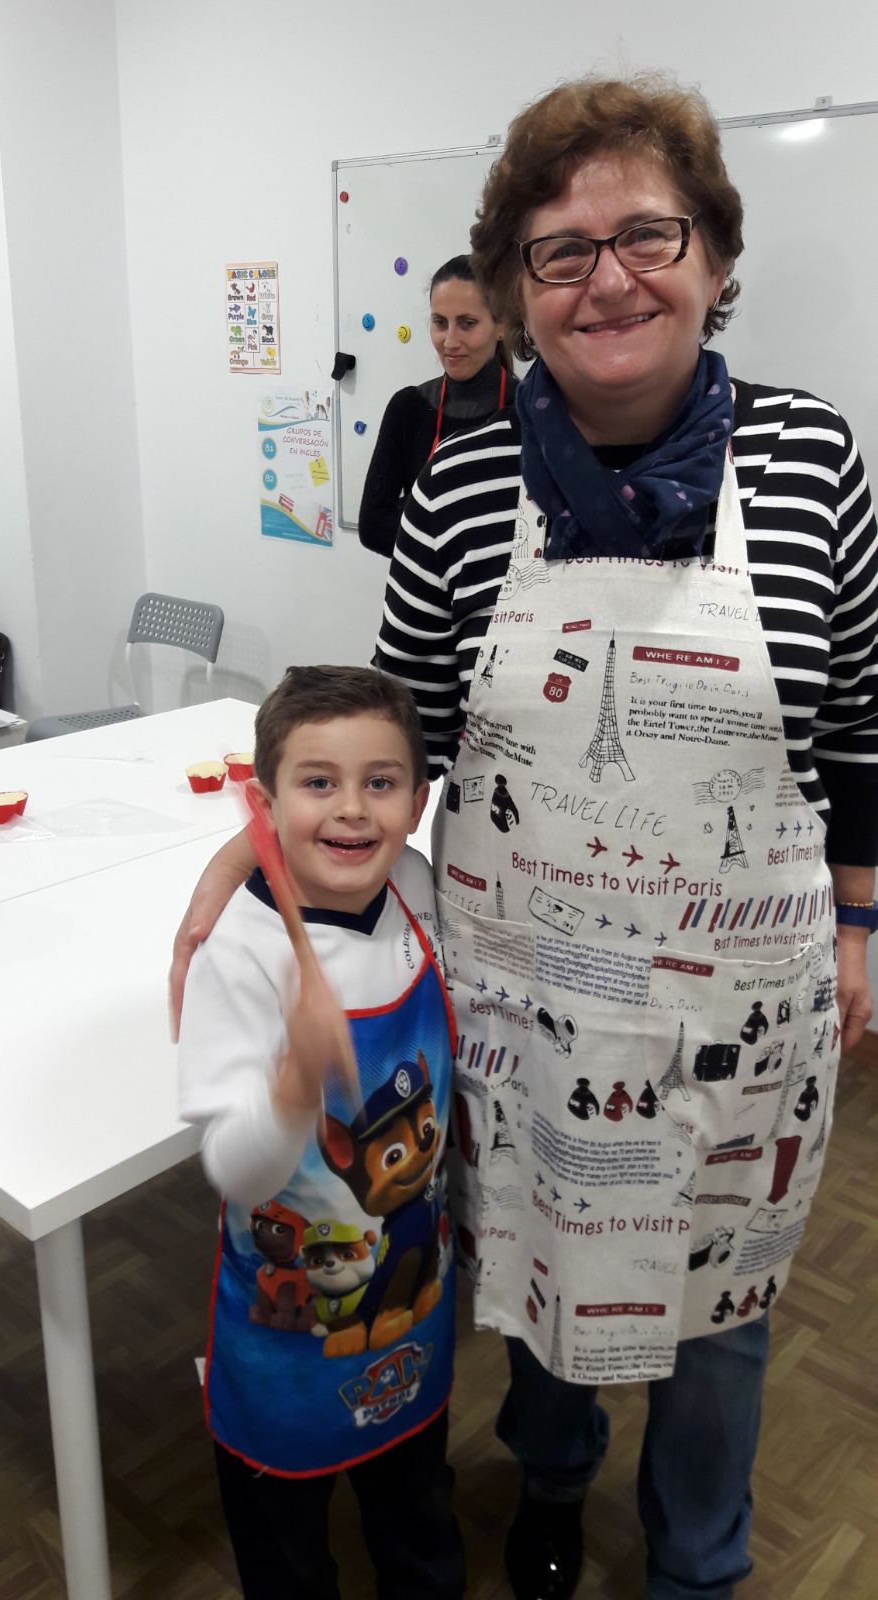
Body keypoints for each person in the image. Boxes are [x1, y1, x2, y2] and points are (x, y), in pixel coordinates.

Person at [170, 74, 878, 1600]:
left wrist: (860, 920)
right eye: (561, 250)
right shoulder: (461, 483)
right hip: (531, 985)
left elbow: (866, 721)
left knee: (725, 1312)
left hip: (743, 996)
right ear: (516, 289)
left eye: (648, 235)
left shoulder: (814, 458)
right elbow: (398, 733)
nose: (607, 278)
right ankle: (552, 1483)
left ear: (715, 258)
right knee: (545, 1252)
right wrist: (256, 856)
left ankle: (699, 1560)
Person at [177, 666, 464, 1600]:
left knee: (420, 1526)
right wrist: (296, 1083)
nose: (350, 809)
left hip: (416, 1321)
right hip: (283, 1354)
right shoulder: (242, 955)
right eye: (317, 783)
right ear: (264, 808)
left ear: (417, 803)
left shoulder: (415, 886)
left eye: (380, 782)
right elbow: (236, 1169)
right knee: (288, 1560)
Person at [357, 255, 518, 557]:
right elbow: (373, 526)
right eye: (440, 323)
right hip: (421, 587)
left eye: (468, 324)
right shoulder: (409, 408)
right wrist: (466, 554)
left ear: (501, 325)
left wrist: (426, 532)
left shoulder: (529, 411)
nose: (450, 341)